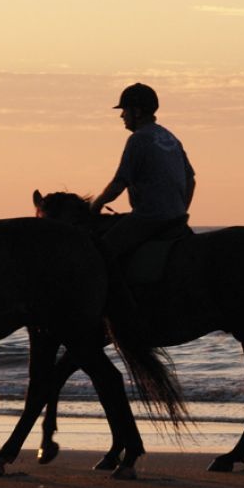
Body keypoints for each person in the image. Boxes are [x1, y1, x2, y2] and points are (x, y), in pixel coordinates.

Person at [89, 82, 196, 341]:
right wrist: (181, 209)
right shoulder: (170, 137)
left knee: (100, 255)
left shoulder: (138, 139)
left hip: (150, 218)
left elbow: (118, 184)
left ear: (137, 111)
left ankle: (120, 315)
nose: (121, 116)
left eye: (124, 110)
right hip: (177, 218)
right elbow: (191, 179)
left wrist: (95, 206)